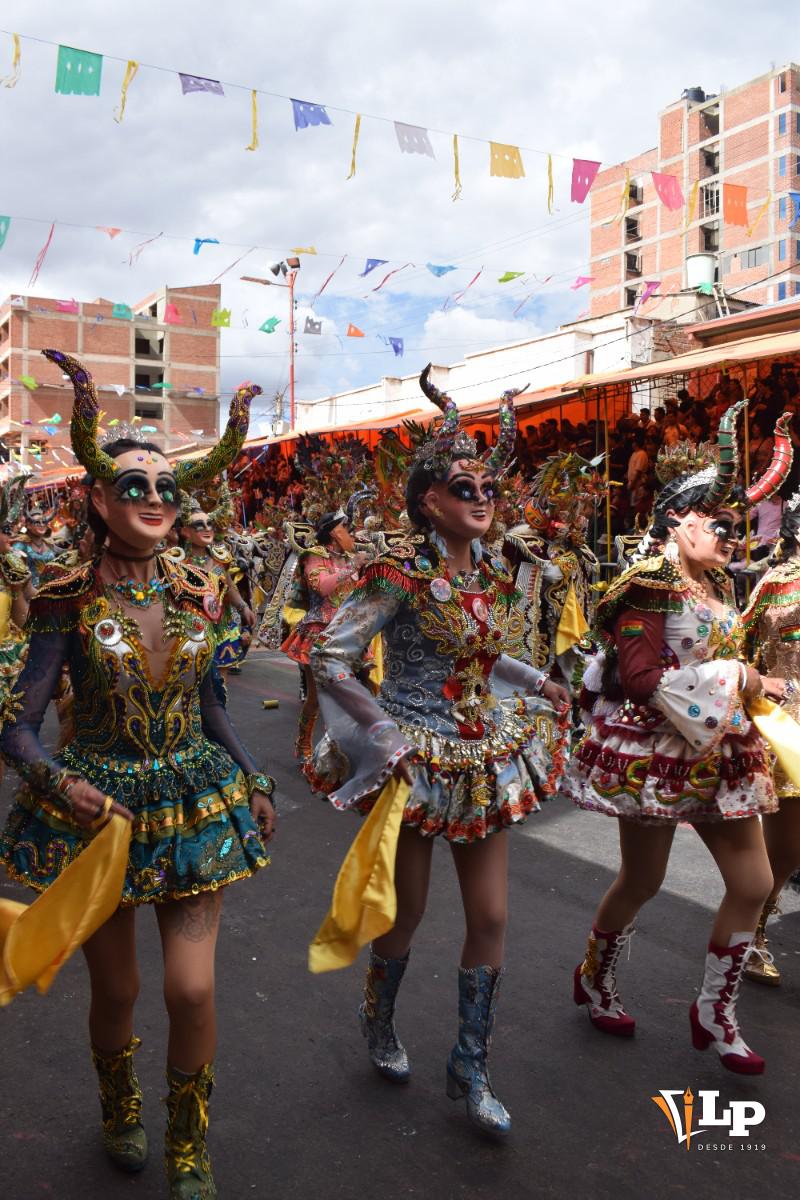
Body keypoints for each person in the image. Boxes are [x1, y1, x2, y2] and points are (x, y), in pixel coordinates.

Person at [0, 351, 276, 1199]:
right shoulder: (64, 595)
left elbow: (214, 704)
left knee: (191, 991)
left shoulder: (201, 589)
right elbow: (16, 725)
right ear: (97, 497)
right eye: (134, 487)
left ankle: (189, 1147)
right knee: (116, 990)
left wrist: (254, 776)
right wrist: (59, 786)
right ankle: (121, 1108)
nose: (155, 500)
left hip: (195, 804)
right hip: (104, 811)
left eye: (168, 489)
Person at [309, 366, 570, 1136]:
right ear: (429, 501)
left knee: (490, 914)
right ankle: (381, 1023)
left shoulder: (492, 575)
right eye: (464, 487)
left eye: (488, 488)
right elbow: (330, 655)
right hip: (416, 759)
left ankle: (471, 1062)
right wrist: (380, 733)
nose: (482, 498)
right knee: (408, 913)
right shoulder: (398, 575)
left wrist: (540, 680)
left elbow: (485, 658)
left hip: (485, 750)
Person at [563, 401, 792, 1076]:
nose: (731, 535)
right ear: (676, 520)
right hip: (658, 756)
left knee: (752, 882)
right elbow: (640, 680)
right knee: (643, 878)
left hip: (720, 752)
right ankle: (595, 976)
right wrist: (742, 676)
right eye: (718, 524)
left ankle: (713, 1012)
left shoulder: (721, 585)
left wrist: (749, 682)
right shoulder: (648, 587)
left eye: (737, 525)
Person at [741, 493, 800, 985]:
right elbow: (739, 649)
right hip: (789, 731)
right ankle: (754, 930)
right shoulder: (776, 584)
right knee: (786, 848)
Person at [280, 494, 371, 762]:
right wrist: (353, 567)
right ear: (333, 533)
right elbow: (322, 586)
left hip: (349, 634)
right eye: (346, 528)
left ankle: (343, 748)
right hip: (319, 633)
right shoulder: (314, 556)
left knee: (353, 694)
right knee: (317, 697)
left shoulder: (349, 558)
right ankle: (303, 744)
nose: (352, 533)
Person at [176, 485, 256, 673]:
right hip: (190, 630)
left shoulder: (220, 559)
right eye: (199, 525)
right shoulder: (177, 562)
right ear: (186, 532)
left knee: (221, 685)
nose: (206, 529)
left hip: (221, 626)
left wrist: (243, 607)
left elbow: (229, 587)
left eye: (209, 524)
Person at [13, 492, 58, 588]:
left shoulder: (49, 544)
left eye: (44, 522)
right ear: (29, 525)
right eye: (37, 522)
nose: (42, 525)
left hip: (53, 590)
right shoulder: (20, 546)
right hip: (31, 594)